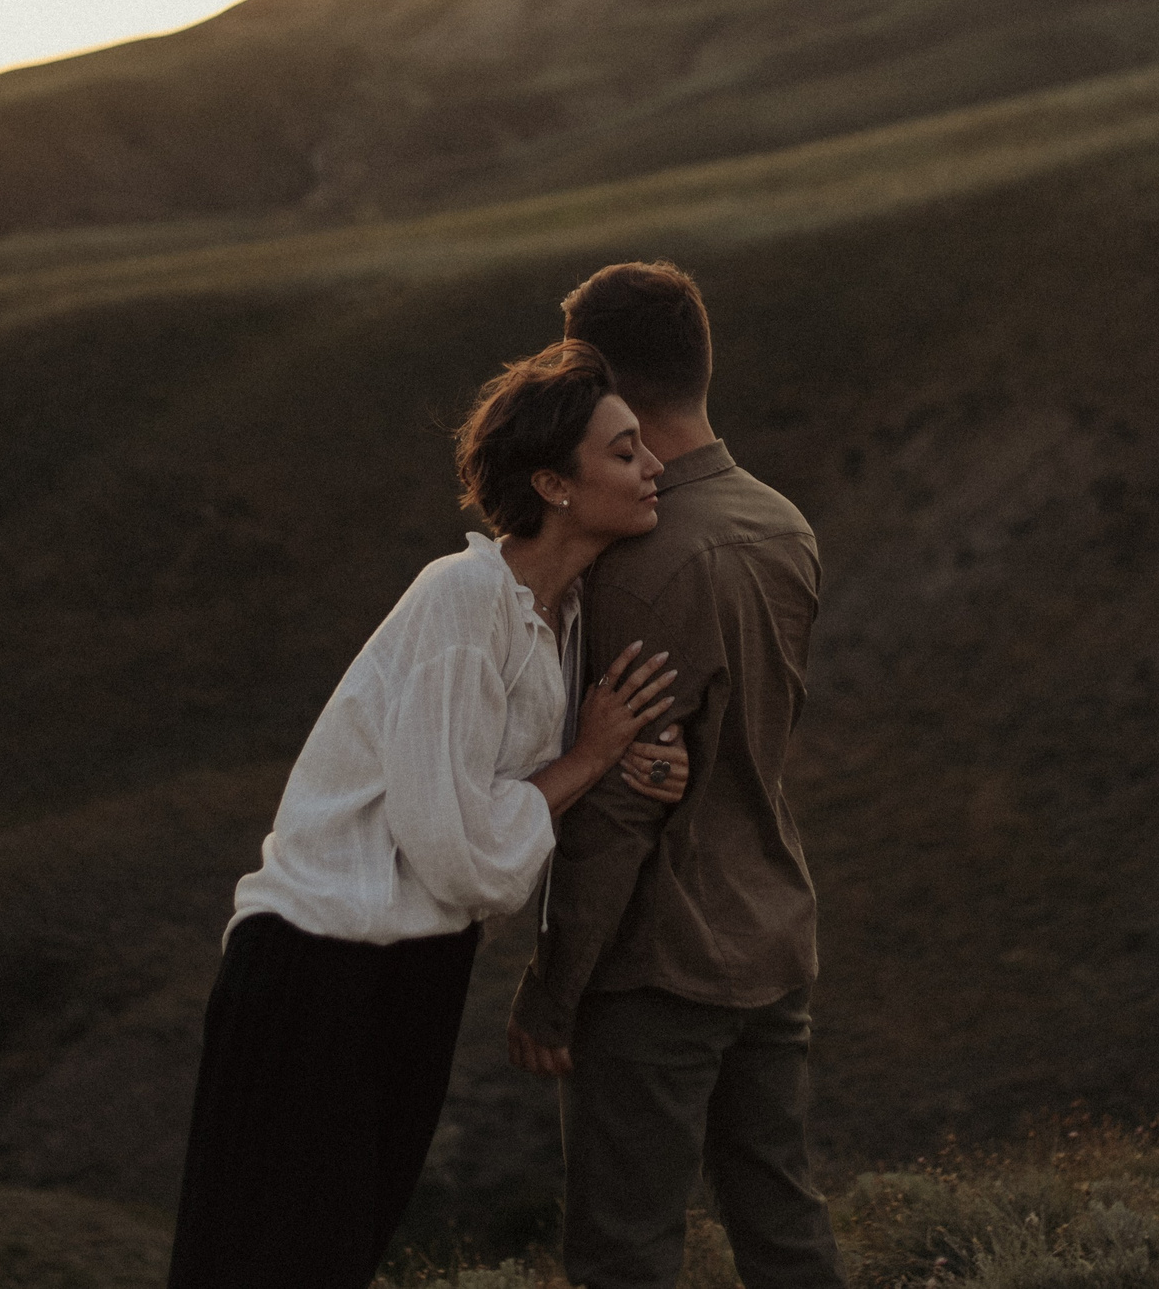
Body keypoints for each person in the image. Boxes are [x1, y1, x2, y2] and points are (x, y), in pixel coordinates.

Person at [166, 338, 694, 1289]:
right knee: (265, 1260)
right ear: (553, 484)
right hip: (317, 961)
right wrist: (588, 758)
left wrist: (633, 763)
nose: (654, 465)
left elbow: (501, 810)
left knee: (342, 1251)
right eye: (624, 452)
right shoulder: (463, 601)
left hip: (419, 966)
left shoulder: (564, 619)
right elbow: (456, 852)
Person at [508, 263, 845, 1289]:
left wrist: (555, 986)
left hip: (659, 958)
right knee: (782, 1224)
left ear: (603, 380)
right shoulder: (783, 522)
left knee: (625, 1253)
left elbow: (622, 805)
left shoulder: (644, 559)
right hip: (770, 924)